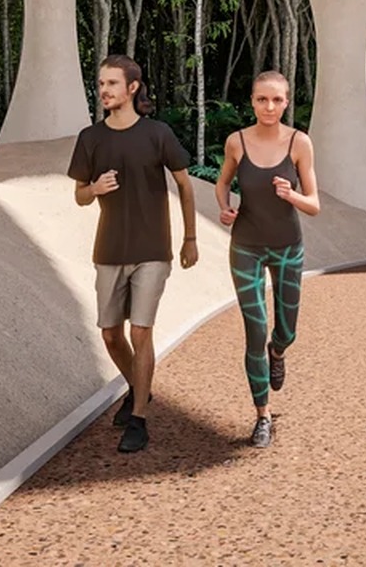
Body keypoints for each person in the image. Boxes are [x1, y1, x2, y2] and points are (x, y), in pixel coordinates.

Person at [67, 55, 197, 454]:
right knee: (110, 334)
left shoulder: (158, 133)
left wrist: (190, 238)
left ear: (133, 88)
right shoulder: (90, 138)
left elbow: (185, 186)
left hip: (153, 249)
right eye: (101, 84)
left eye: (111, 84)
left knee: (140, 330)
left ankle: (138, 418)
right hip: (108, 250)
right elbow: (79, 197)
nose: (104, 90)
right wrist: (95, 190)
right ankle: (140, 388)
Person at [215, 70, 320, 449]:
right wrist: (225, 208)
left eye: (277, 100)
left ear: (287, 102)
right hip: (246, 246)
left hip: (289, 247)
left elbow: (315, 205)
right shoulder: (236, 142)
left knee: (285, 332)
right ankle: (262, 416)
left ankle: (279, 352)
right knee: (254, 331)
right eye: (262, 99)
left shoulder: (299, 143)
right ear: (252, 101)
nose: (269, 107)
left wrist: (291, 195)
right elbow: (223, 181)